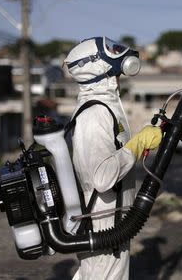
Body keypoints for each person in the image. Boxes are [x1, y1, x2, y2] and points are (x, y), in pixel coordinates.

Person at [64, 37, 162, 280]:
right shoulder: (95, 114)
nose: (121, 56)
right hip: (102, 223)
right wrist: (136, 145)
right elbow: (102, 177)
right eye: (112, 51)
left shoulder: (105, 106)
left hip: (111, 222)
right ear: (97, 65)